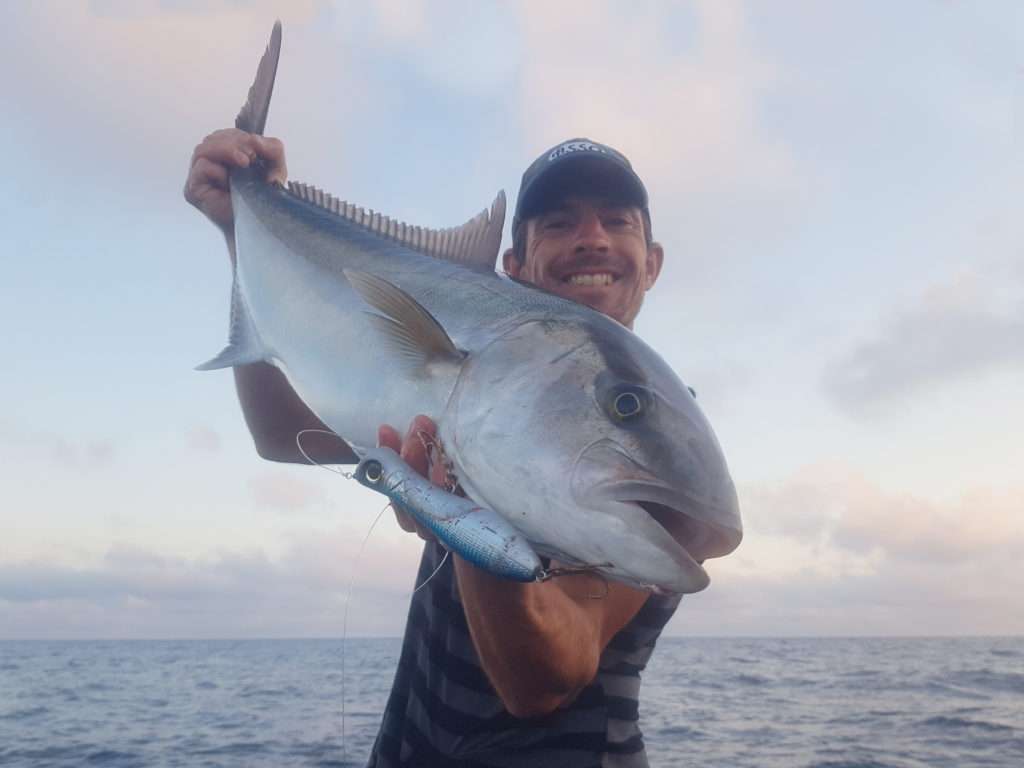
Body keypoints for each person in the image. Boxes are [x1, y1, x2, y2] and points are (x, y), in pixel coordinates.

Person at [185, 132, 678, 767]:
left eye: (618, 221)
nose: (593, 237)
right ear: (515, 266)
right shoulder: (467, 385)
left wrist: (460, 513)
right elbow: (282, 437)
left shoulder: (656, 448)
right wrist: (244, 232)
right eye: (559, 222)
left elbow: (543, 682)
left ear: (653, 262)